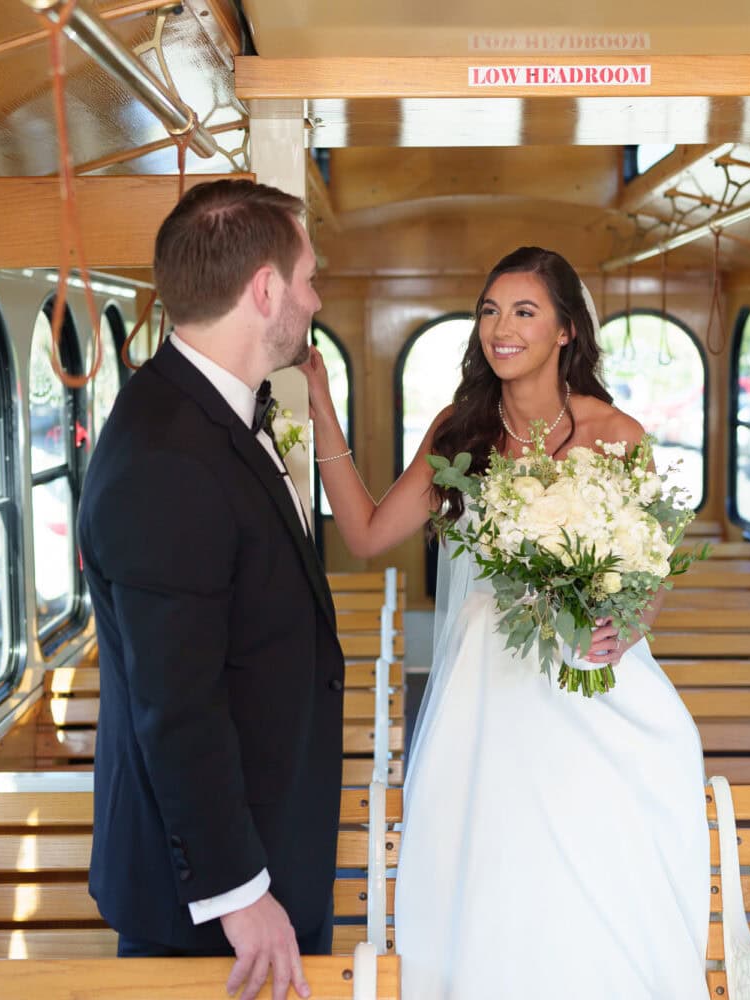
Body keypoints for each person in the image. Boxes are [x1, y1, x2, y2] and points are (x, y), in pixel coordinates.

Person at [301, 246, 710, 998]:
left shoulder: (616, 436)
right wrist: (321, 403)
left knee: (598, 864)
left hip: (590, 677)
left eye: (525, 311)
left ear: (566, 333)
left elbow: (648, 578)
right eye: (490, 310)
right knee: (497, 870)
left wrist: (628, 629)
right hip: (488, 683)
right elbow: (362, 533)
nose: (501, 327)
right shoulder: (461, 431)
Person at [78, 179, 343, 1000]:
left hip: (266, 852)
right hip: (214, 906)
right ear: (265, 290)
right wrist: (241, 894)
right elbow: (176, 704)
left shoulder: (209, 416)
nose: (315, 296)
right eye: (307, 277)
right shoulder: (168, 454)